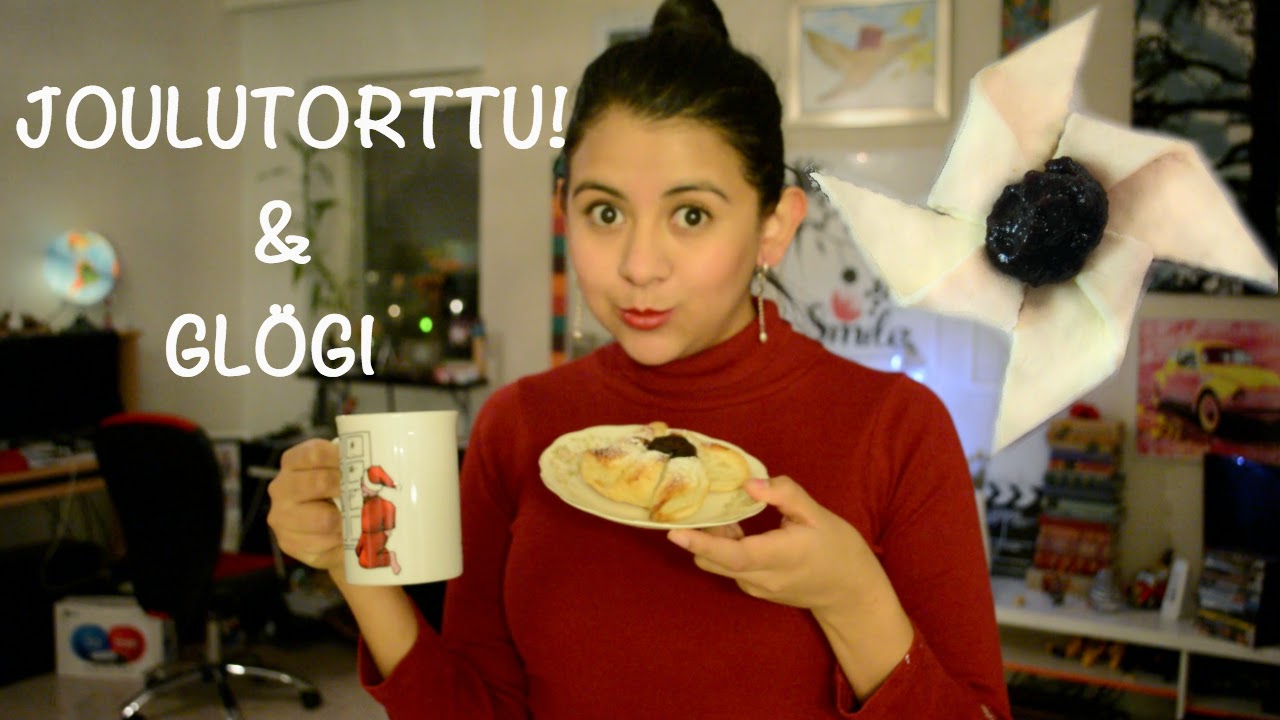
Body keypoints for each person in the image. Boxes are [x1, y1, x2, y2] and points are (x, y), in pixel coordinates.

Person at [268, 1, 1011, 717]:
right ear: (564, 210)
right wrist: (349, 565)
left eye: (691, 215)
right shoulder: (518, 426)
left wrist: (852, 597)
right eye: (606, 212)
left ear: (774, 227)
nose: (638, 265)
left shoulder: (896, 429)